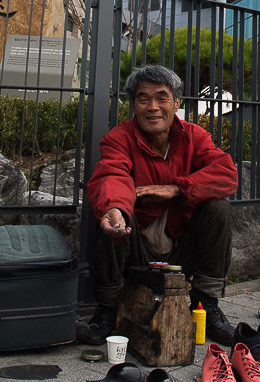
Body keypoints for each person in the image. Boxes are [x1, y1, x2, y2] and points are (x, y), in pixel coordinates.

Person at [80, 65, 239, 346]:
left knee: (219, 208)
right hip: (137, 250)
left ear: (176, 103)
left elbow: (226, 174)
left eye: (162, 98)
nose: (153, 107)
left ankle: (205, 305)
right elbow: (111, 175)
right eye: (143, 99)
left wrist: (177, 189)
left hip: (181, 249)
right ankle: (107, 309)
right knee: (116, 217)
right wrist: (114, 207)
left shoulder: (195, 136)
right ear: (133, 105)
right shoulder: (119, 138)